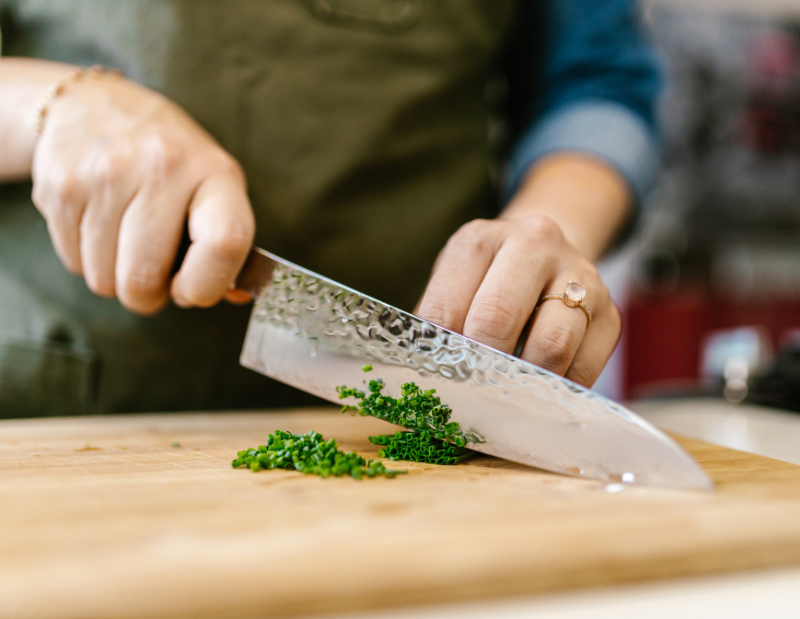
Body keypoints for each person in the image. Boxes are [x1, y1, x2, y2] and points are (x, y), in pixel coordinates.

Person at [0, 0, 660, 417]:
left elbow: (594, 82)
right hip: (49, 411)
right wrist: (57, 108)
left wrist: (540, 241)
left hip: (408, 405)